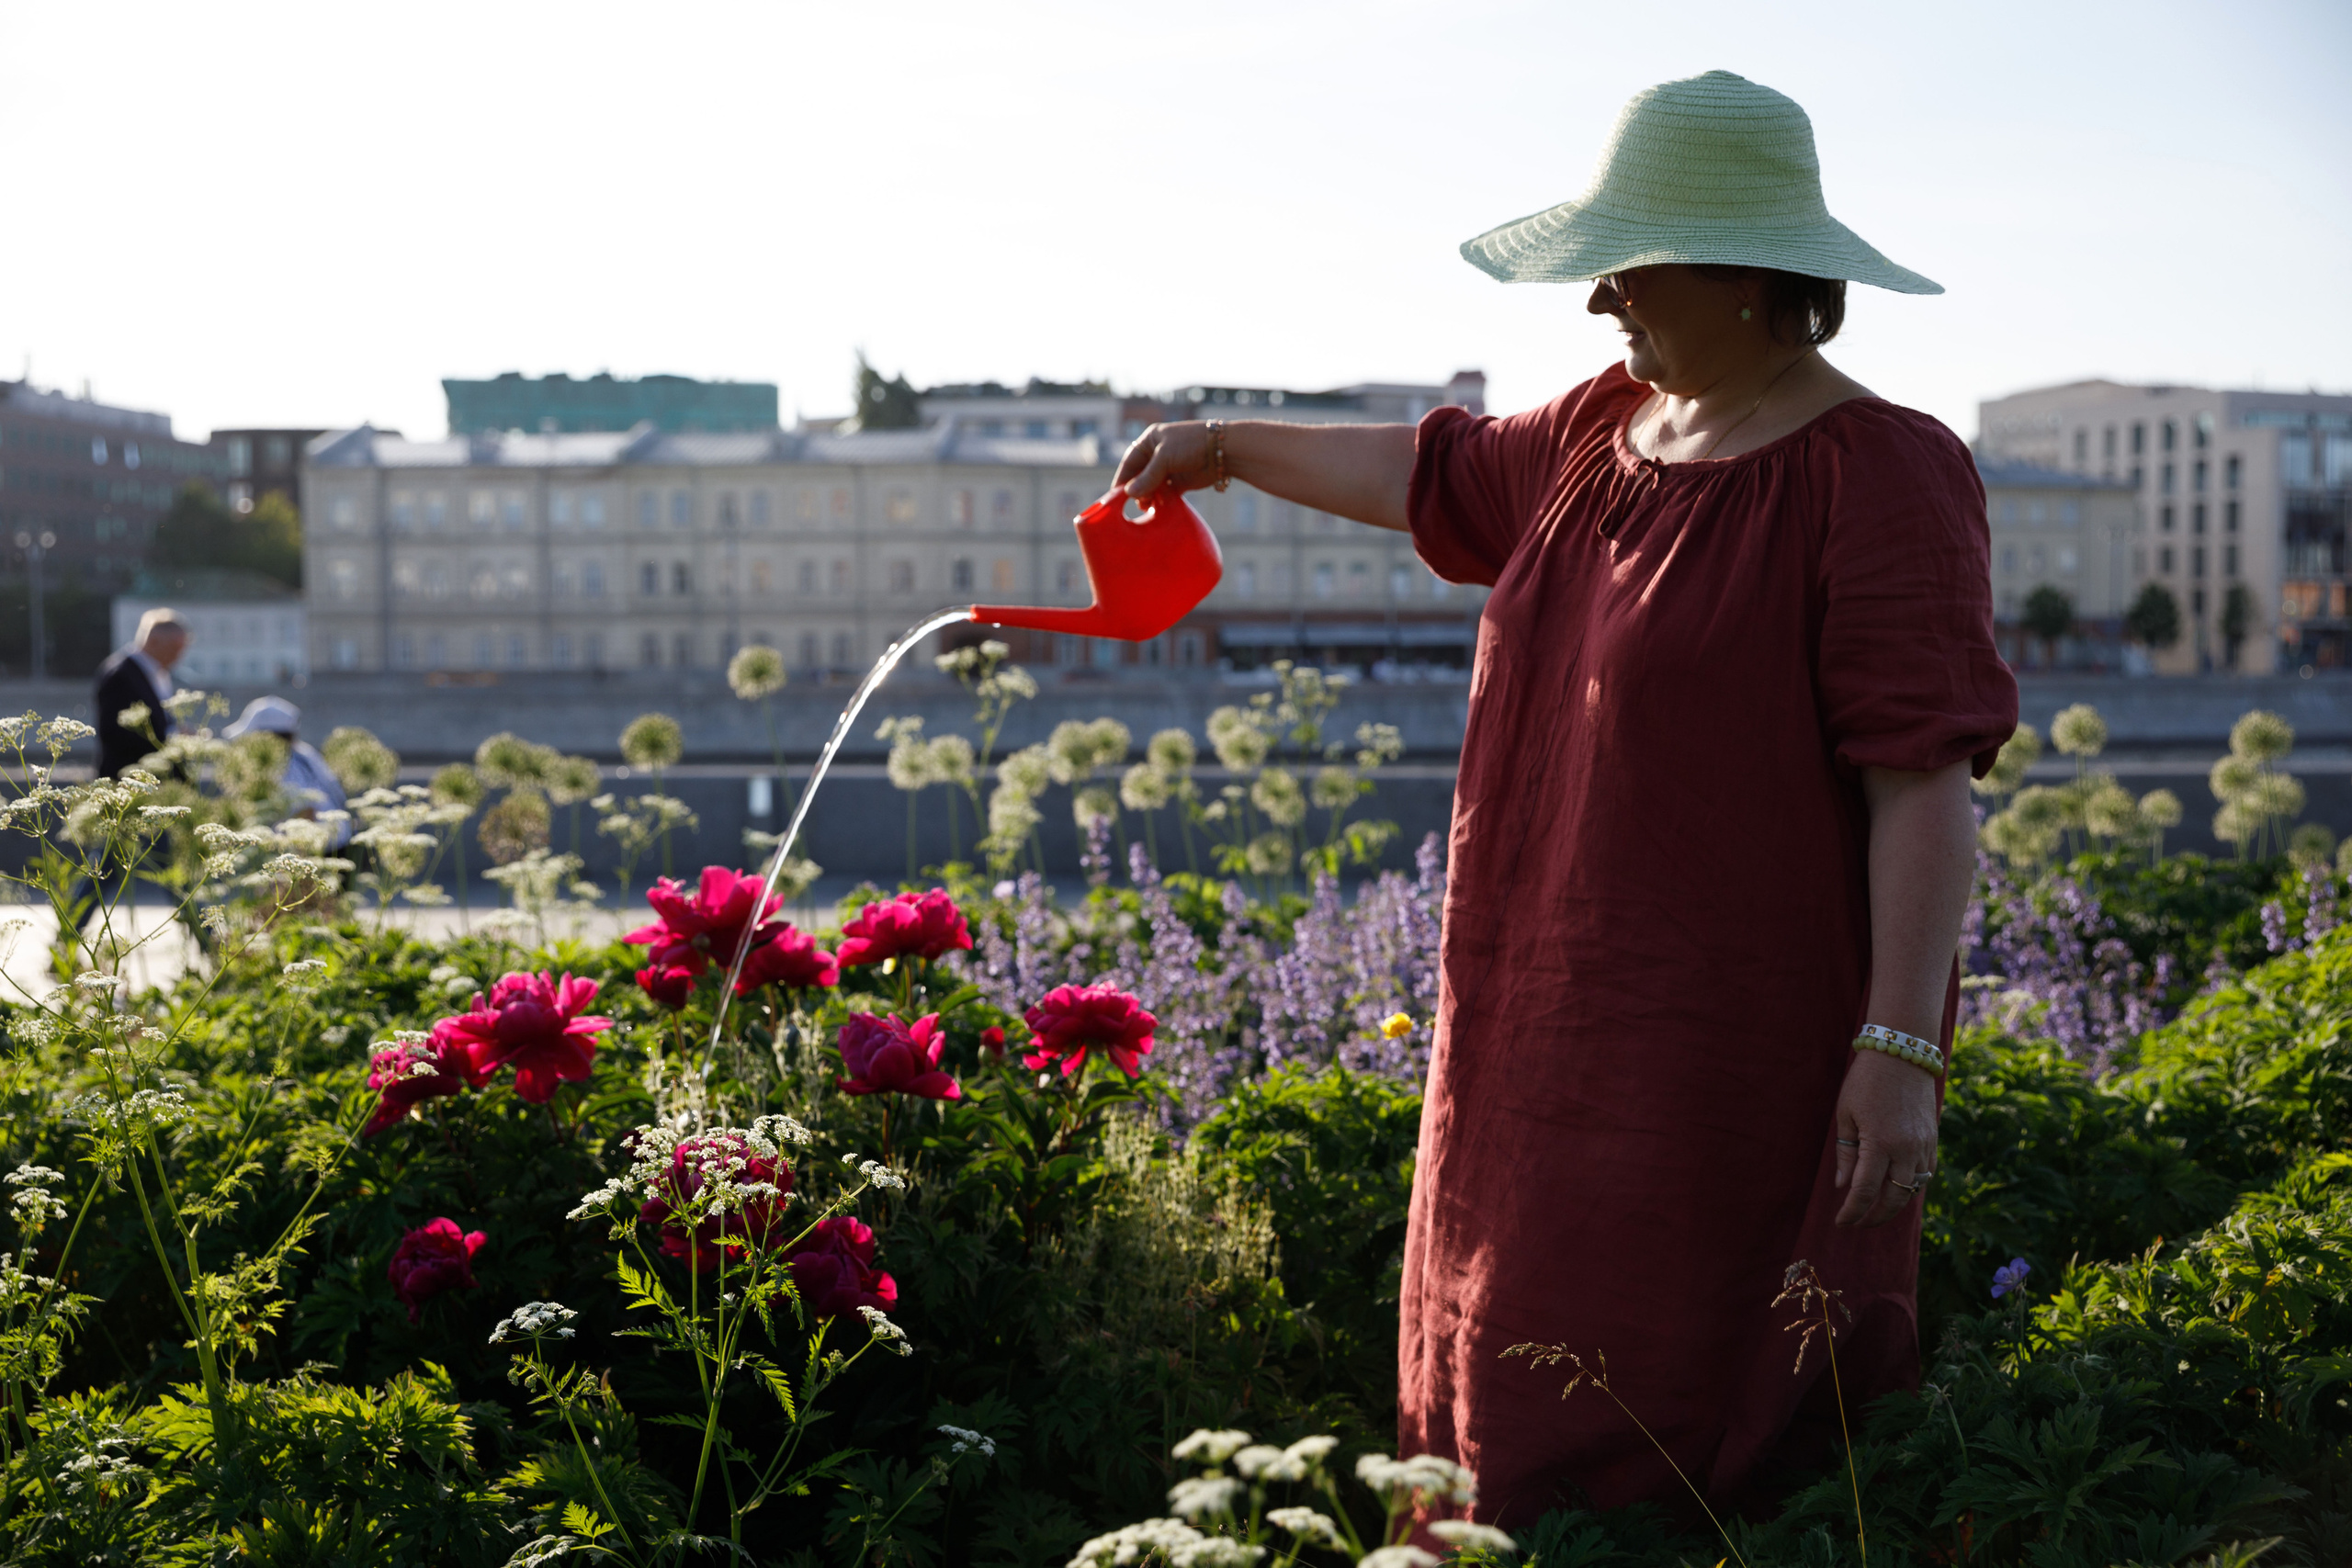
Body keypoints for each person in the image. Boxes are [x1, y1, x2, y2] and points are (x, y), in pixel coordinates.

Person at [1115, 71, 2017, 1527]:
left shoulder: (1886, 471)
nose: (1600, 295)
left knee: (1696, 1440)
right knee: (1502, 1411)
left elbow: (1924, 782)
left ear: (1747, 270)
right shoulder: (1605, 428)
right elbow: (1434, 471)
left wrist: (1901, 1046)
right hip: (1529, 1042)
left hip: (1731, 1069)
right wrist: (1220, 449)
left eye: (1632, 256)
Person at [221, 696, 350, 849]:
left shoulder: (289, 766)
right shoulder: (305, 752)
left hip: (321, 851)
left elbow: (307, 813)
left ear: (268, 737)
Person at [95, 607, 187, 778]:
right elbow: (116, 734)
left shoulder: (158, 673)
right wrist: (174, 738)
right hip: (128, 786)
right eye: (175, 648)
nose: (179, 656)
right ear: (153, 641)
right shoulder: (120, 675)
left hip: (155, 783)